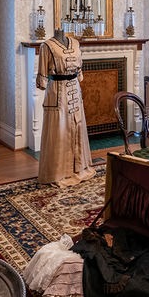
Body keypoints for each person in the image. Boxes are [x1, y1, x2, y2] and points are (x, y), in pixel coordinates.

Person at [36, 29, 94, 185]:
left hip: (75, 88)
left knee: (77, 125)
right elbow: (42, 78)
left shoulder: (75, 43)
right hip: (57, 91)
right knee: (59, 129)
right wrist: (43, 82)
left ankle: (78, 167)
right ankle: (58, 171)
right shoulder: (46, 46)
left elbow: (79, 70)